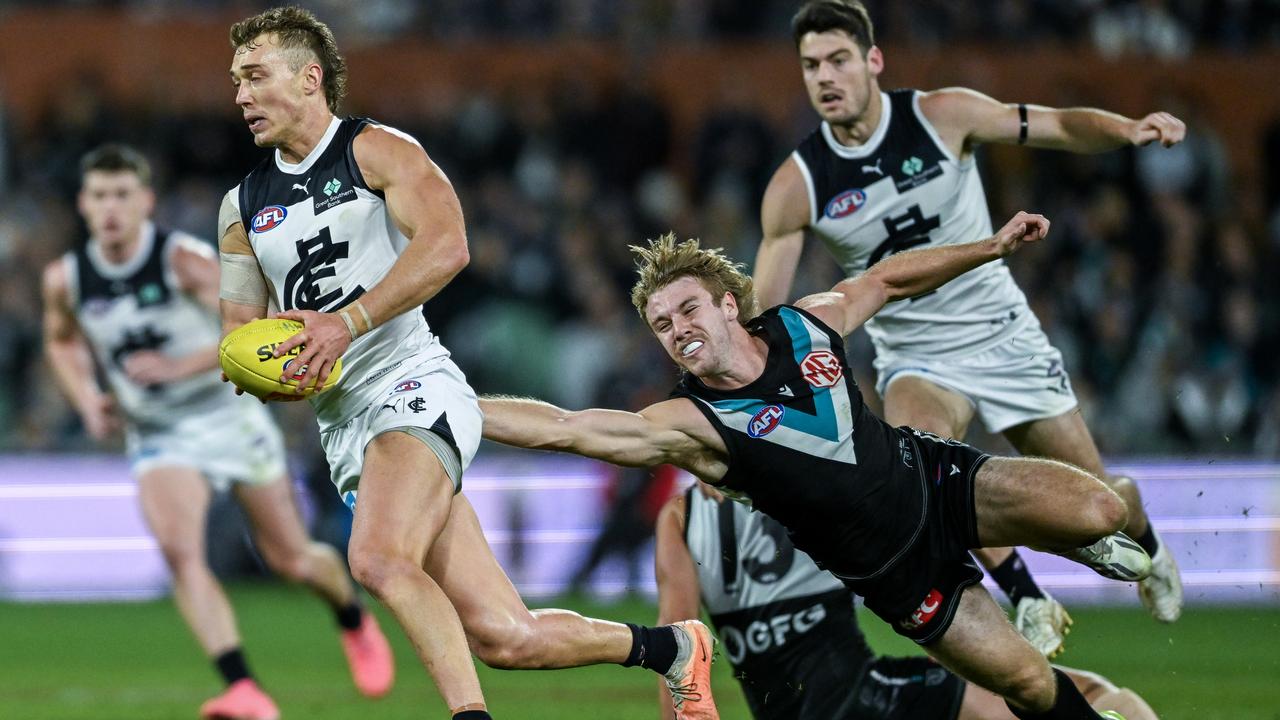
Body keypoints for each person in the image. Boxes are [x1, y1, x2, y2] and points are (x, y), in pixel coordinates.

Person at [218, 8, 716, 719]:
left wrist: (347, 323)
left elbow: (449, 244)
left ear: (309, 78)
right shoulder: (240, 208)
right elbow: (239, 334)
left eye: (255, 76)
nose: (239, 95)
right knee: (505, 637)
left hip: (413, 385)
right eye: (236, 80)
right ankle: (671, 649)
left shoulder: (377, 152)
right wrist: (270, 372)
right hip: (345, 428)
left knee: (378, 560)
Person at [479, 214, 1157, 720]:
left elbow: (886, 280)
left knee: (1099, 508)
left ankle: (1114, 528)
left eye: (686, 308)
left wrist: (990, 248)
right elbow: (568, 431)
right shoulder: (691, 424)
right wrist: (456, 406)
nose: (677, 328)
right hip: (899, 577)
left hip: (936, 481)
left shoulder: (805, 326)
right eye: (660, 324)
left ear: (725, 305)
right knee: (1030, 686)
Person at [751, 0, 1186, 655]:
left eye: (838, 59)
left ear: (873, 61)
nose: (824, 77)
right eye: (811, 65)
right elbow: (769, 320)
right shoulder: (797, 185)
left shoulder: (941, 115)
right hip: (915, 356)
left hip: (1003, 336)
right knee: (929, 477)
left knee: (1099, 507)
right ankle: (1031, 599)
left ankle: (1147, 541)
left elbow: (1060, 125)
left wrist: (1127, 129)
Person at [42, 144, 395, 720]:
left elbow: (250, 330)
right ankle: (243, 688)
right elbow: (60, 338)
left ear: (146, 202)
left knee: (292, 560)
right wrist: (86, 397)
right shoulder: (67, 279)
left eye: (123, 195)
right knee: (182, 554)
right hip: (159, 433)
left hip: (228, 416)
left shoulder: (182, 261)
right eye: (100, 195)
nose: (111, 208)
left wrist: (177, 368)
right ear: (83, 203)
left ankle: (351, 618)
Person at [655, 483, 1160, 719]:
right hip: (870, 699)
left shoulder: (681, 517)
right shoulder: (816, 473)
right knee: (1089, 697)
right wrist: (1023, 589)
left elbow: (678, 652)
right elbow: (945, 504)